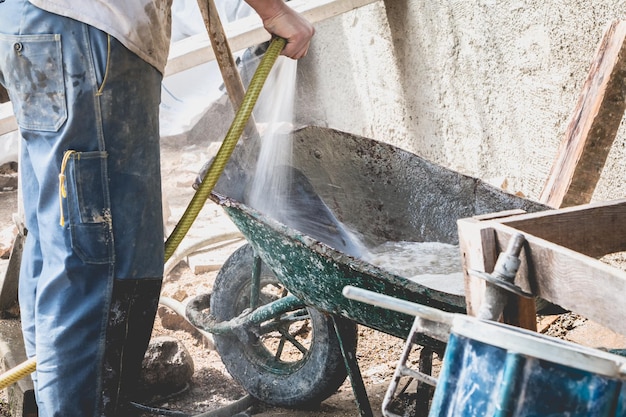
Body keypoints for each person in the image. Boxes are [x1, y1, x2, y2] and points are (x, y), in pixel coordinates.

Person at [0, 0, 314, 416]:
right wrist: (272, 11)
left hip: (30, 22)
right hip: (92, 32)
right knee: (99, 260)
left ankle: (62, 405)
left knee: (59, 241)